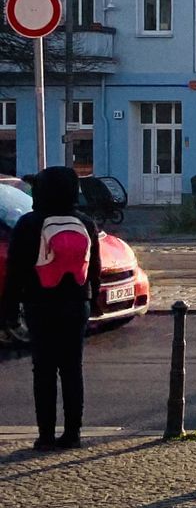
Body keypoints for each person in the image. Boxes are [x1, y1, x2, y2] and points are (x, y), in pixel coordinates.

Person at [2, 167, 102, 450]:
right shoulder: (85, 222)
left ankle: (46, 436)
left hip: (40, 304)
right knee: (72, 370)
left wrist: (10, 309)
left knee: (44, 371)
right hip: (77, 304)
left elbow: (16, 271)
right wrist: (92, 300)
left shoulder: (29, 223)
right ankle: (73, 434)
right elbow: (94, 268)